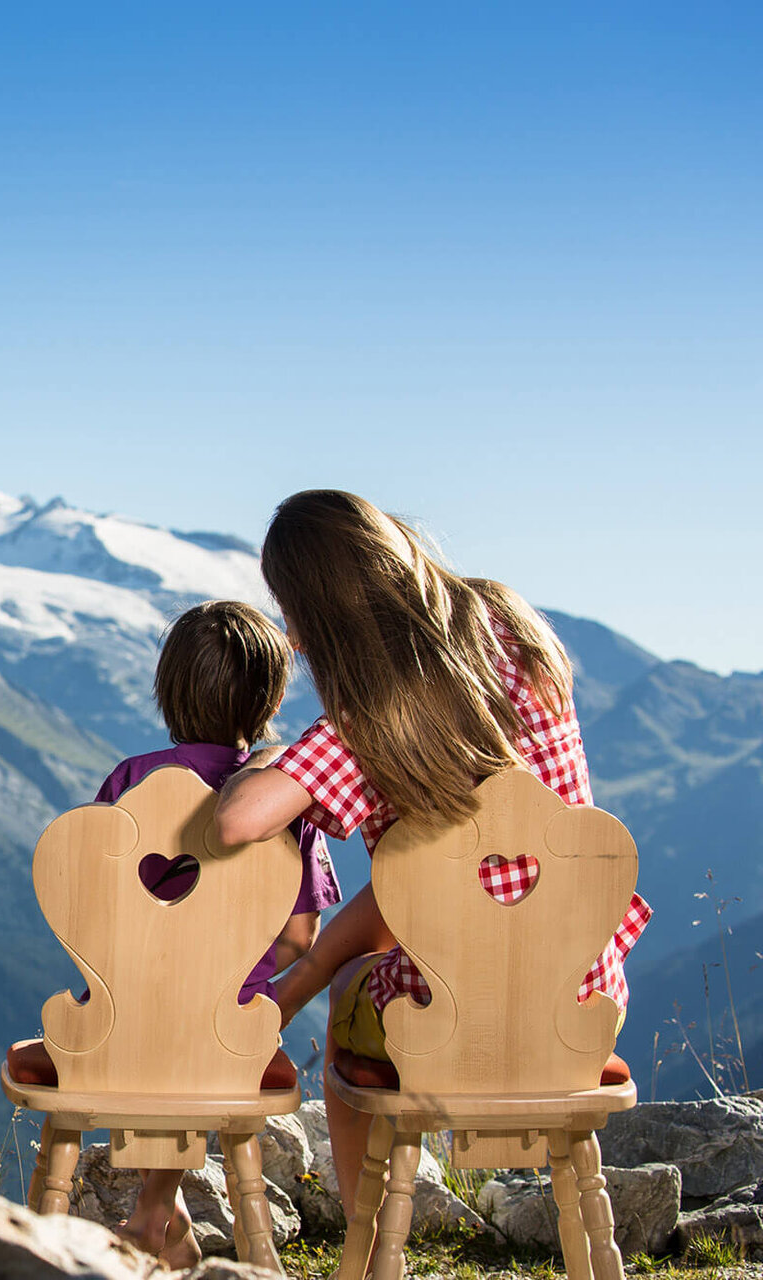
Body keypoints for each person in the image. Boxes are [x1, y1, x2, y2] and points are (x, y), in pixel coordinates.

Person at [211, 489, 651, 1220]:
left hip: (452, 1021)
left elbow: (238, 824)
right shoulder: (508, 620)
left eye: (292, 611)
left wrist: (280, 756)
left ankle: (369, 1236)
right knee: (422, 907)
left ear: (321, 609)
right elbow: (442, 883)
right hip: (585, 994)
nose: (290, 637)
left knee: (355, 993)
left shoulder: (364, 716)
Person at [87, 601, 340, 1266]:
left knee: (144, 1035)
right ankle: (156, 1217)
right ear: (272, 697)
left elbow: (85, 910)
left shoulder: (128, 780)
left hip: (125, 1010)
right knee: (192, 1038)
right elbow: (300, 937)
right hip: (231, 1024)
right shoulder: (283, 798)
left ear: (166, 686)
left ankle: (157, 1213)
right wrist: (240, 973)